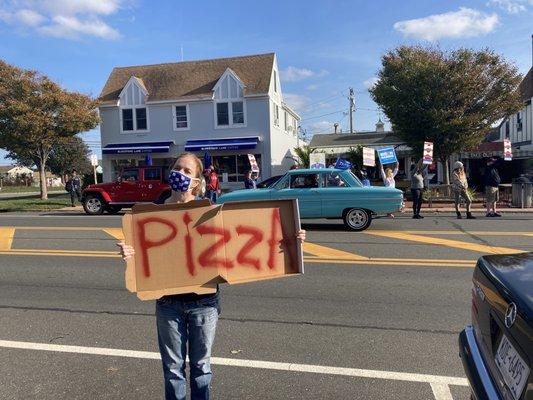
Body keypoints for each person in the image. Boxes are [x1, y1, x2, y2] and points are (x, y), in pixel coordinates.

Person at [117, 153, 306, 400]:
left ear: (196, 181)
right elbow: (143, 257)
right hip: (167, 304)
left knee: (200, 369)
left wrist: (292, 237)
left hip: (203, 304)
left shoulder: (210, 213)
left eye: (187, 172)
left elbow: (248, 239)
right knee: (173, 370)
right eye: (177, 168)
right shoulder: (149, 216)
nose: (180, 175)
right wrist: (129, 252)